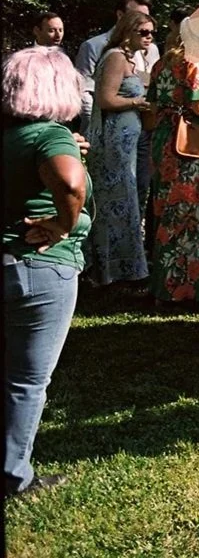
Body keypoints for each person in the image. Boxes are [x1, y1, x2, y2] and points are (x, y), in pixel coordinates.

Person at [3, 47, 92, 498]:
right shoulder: (50, 135)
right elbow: (71, 183)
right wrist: (63, 223)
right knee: (27, 380)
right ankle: (14, 476)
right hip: (38, 268)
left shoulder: (13, 135)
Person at [144, 12, 199, 307]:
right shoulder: (195, 63)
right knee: (194, 213)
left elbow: (153, 105)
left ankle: (163, 286)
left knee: (166, 211)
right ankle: (190, 288)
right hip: (191, 149)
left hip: (164, 142)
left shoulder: (161, 63)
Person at [84, 11, 155, 286]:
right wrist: (139, 103)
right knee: (115, 199)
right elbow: (105, 99)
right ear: (128, 31)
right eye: (144, 32)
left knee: (127, 198)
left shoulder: (128, 59)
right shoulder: (114, 56)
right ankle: (107, 267)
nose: (149, 38)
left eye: (152, 33)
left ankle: (124, 265)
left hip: (127, 139)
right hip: (113, 139)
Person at [74, 0, 156, 124]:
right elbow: (86, 90)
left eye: (146, 16)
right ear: (120, 15)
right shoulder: (95, 46)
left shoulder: (151, 49)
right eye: (136, 17)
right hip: (110, 123)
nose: (144, 22)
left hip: (143, 125)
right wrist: (92, 123)